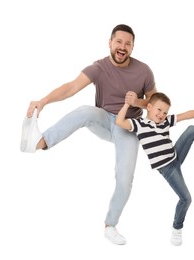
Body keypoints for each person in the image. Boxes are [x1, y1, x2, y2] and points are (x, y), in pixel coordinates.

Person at [20, 24, 157, 245]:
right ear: (110, 43)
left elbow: (153, 102)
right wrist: (42, 101)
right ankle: (41, 141)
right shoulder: (99, 68)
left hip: (129, 127)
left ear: (132, 47)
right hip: (103, 120)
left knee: (125, 179)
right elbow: (71, 87)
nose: (123, 47)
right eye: (119, 42)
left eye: (128, 44)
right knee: (84, 111)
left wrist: (138, 102)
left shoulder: (144, 71)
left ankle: (110, 225)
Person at [116, 92, 194, 246]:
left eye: (165, 112)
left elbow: (188, 114)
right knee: (186, 199)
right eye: (159, 110)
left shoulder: (166, 121)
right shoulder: (139, 125)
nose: (162, 115)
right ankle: (177, 228)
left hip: (175, 155)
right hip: (167, 168)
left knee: (191, 130)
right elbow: (119, 121)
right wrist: (128, 103)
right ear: (149, 107)